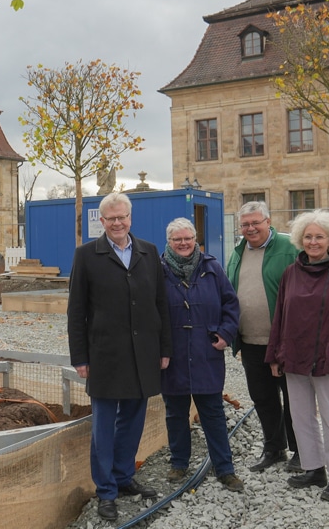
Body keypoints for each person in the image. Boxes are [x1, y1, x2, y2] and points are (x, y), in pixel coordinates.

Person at [67, 192, 172, 523]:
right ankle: (106, 490)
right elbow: (76, 310)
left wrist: (164, 349)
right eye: (110, 218)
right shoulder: (87, 255)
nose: (117, 223)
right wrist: (80, 358)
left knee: (133, 419)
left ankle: (125, 477)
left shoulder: (148, 252)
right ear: (102, 220)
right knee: (104, 427)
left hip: (143, 354)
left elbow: (160, 304)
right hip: (105, 356)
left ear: (130, 217)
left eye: (122, 217)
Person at [266, 210, 329, 503]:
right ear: (300, 239)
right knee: (300, 417)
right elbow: (280, 317)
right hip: (295, 357)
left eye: (319, 237)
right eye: (308, 236)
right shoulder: (291, 273)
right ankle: (313, 469)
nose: (313, 242)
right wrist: (275, 355)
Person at [159, 218, 244, 492]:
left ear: (195, 240)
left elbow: (230, 303)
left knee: (213, 412)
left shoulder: (211, 267)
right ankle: (179, 463)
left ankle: (225, 469)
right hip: (172, 355)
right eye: (177, 239)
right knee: (175, 412)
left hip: (206, 351)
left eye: (188, 238)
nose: (183, 243)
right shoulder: (157, 271)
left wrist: (225, 334)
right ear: (169, 242)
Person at [225, 201, 301, 473]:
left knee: (294, 398)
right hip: (250, 341)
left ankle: (301, 450)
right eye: (245, 224)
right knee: (263, 397)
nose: (250, 228)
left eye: (256, 222)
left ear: (268, 221)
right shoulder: (237, 253)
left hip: (284, 342)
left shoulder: (289, 247)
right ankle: (274, 447)